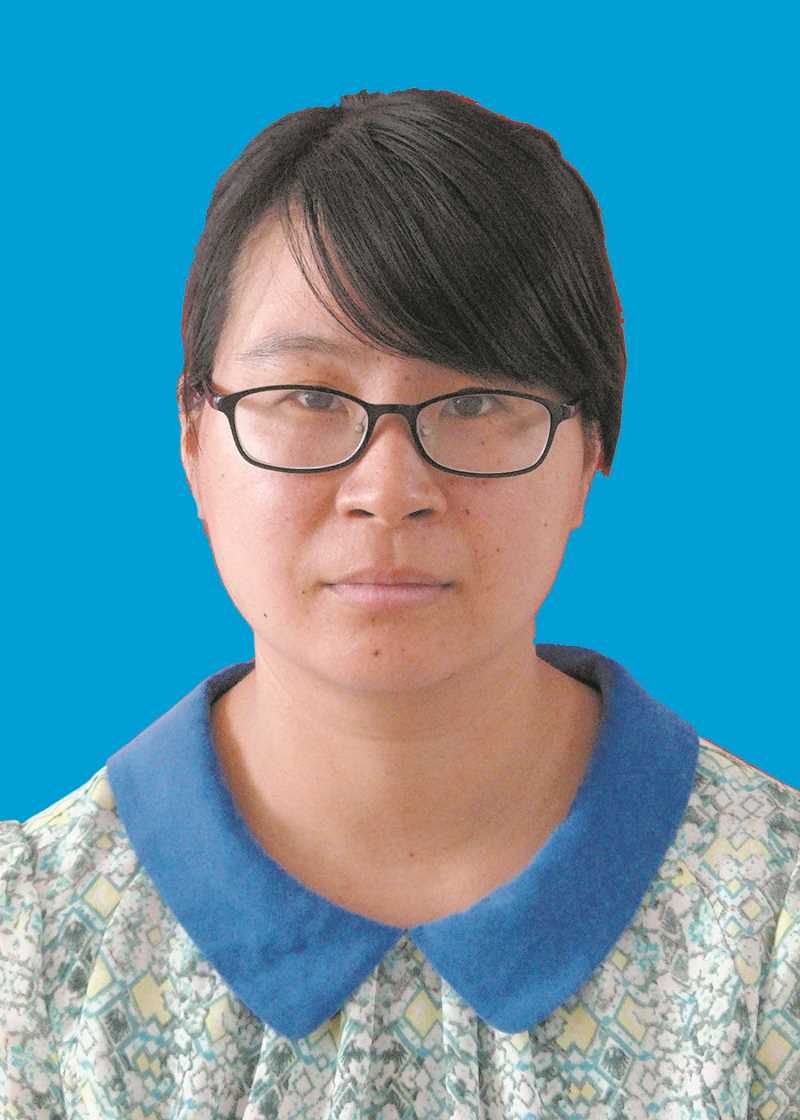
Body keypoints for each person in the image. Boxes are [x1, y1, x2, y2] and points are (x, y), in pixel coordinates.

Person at [2, 87, 797, 1119]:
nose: (389, 489)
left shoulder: (772, 927)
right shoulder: (30, 944)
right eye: (308, 396)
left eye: (475, 401)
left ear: (591, 447)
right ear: (194, 440)